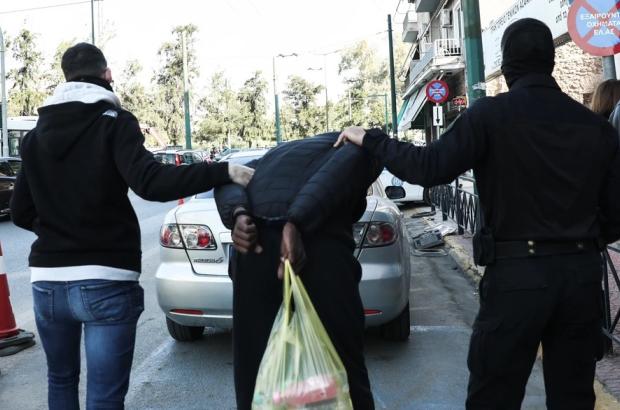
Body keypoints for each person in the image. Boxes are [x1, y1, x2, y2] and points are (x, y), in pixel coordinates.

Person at [336, 18, 620, 410]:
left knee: (493, 395)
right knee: (573, 397)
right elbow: (616, 213)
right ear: (551, 61)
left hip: (517, 278)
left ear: (506, 65)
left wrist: (372, 139)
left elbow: (428, 167)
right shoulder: (596, 127)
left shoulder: (489, 116)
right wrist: (582, 242)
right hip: (581, 278)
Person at [9, 43, 253, 410]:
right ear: (107, 75)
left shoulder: (34, 137)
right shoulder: (115, 122)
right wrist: (223, 171)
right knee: (104, 397)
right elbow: (150, 183)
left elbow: (20, 211)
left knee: (60, 381)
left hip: (47, 282)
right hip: (106, 278)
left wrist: (58, 230)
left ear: (65, 78)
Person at [214, 132, 381, 410]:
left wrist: (239, 214)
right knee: (342, 360)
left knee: (254, 365)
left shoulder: (271, 156)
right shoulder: (360, 147)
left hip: (253, 248)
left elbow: (226, 179)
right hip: (316, 246)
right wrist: (294, 222)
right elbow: (338, 173)